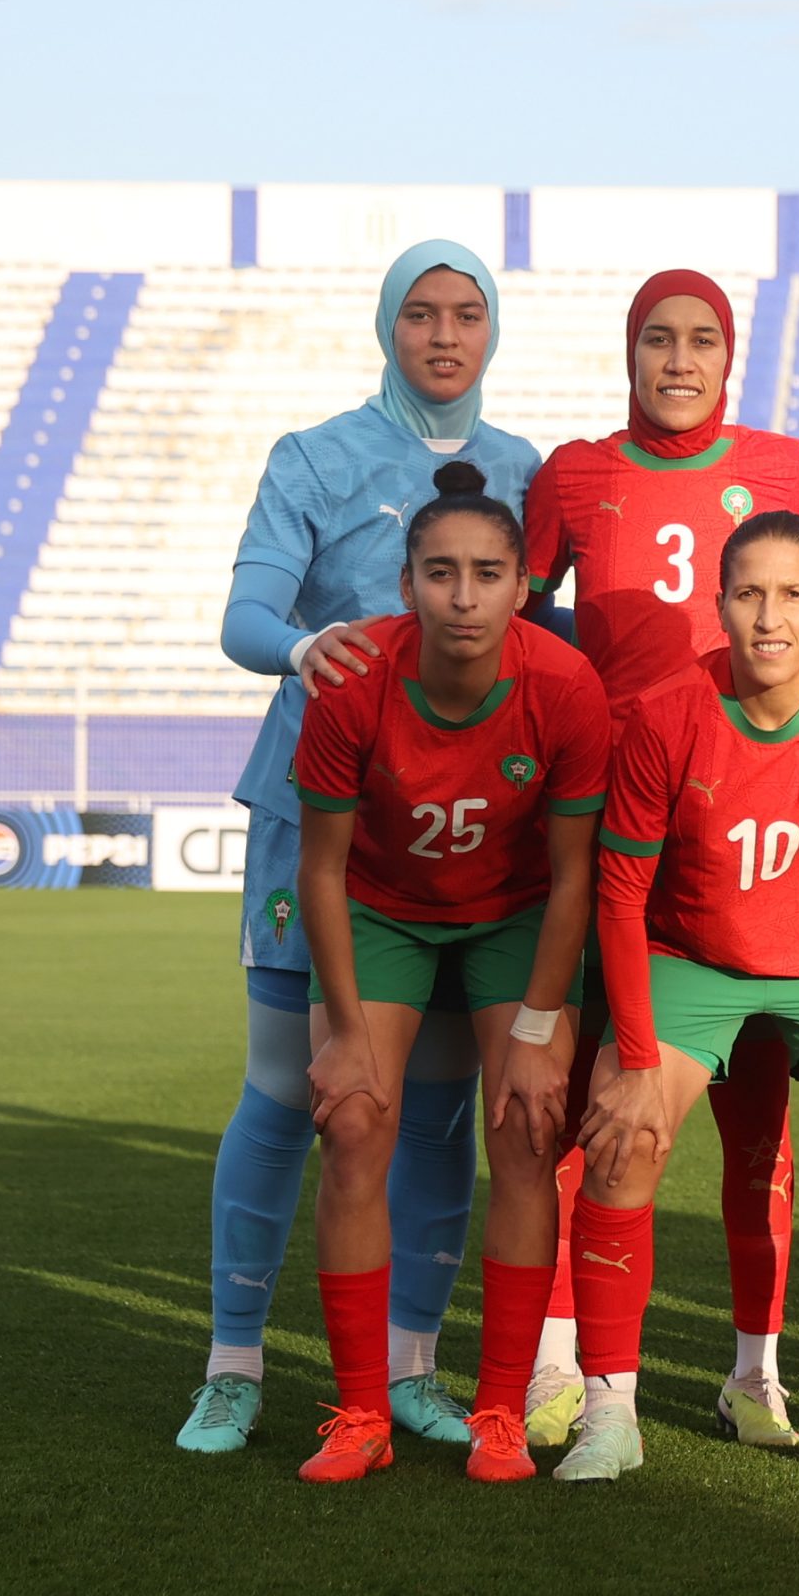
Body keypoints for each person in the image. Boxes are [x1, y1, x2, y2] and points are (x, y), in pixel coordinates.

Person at [181, 241, 536, 1455]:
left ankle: (408, 1372)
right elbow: (243, 616)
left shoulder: (528, 472)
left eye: (467, 314)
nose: (444, 335)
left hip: (461, 837)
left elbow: (567, 625)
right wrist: (304, 647)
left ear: (493, 332)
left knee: (434, 1109)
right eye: (421, 314)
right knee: (293, 1089)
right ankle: (233, 1369)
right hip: (316, 817)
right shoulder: (317, 457)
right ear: (387, 325)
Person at [560, 510, 799, 1485]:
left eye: (792, 595)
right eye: (748, 594)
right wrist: (637, 1057)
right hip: (695, 959)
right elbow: (619, 893)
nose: (770, 617)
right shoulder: (665, 711)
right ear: (720, 604)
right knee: (620, 1137)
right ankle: (608, 1407)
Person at [522, 270, 799, 1450]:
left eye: (703, 338)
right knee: (594, 1102)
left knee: (758, 1123)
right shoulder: (575, 473)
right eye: (658, 337)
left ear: (732, 353)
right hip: (614, 827)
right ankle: (561, 1359)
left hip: (753, 832)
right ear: (629, 351)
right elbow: (521, 611)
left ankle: (754, 1371)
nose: (680, 358)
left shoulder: (788, 469)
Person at [287, 464, 608, 1482]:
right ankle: (359, 1417)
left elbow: (570, 880)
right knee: (352, 1124)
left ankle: (502, 1412)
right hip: (383, 913)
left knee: (525, 1125)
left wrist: (532, 1031)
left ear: (524, 585)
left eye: (485, 574)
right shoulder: (352, 688)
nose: (461, 597)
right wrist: (343, 1032)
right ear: (405, 582)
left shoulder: (563, 688)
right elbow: (324, 869)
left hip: (512, 921)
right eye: (439, 574)